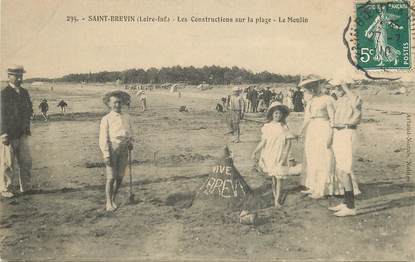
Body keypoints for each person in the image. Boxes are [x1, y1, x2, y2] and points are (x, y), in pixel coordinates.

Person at [252, 102, 297, 207]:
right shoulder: (267, 126)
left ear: (283, 115)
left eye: (280, 114)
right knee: (273, 178)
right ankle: (275, 195)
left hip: (280, 154)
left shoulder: (284, 126)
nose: (278, 116)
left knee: (279, 177)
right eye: (276, 113)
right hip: (269, 154)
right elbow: (263, 142)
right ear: (272, 114)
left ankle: (277, 200)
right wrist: (255, 151)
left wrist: (285, 155)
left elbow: (289, 143)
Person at [329, 82, 363, 216]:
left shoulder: (353, 97)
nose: (336, 90)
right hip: (339, 133)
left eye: (338, 87)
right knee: (341, 169)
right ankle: (346, 202)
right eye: (335, 87)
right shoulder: (339, 100)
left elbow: (356, 103)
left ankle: (351, 207)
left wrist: (345, 87)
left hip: (348, 132)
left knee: (346, 169)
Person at [299, 78, 336, 199]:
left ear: (318, 86)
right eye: (308, 89)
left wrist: (331, 135)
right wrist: (301, 131)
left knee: (322, 158)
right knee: (311, 157)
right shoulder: (311, 101)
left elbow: (333, 119)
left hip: (324, 129)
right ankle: (312, 186)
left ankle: (321, 189)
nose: (310, 90)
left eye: (312, 87)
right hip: (312, 130)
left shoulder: (328, 99)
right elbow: (307, 118)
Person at [0, 65, 33, 198]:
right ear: (9, 76)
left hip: (23, 133)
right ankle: (5, 188)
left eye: (20, 75)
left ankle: (26, 186)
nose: (19, 78)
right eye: (15, 75)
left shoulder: (24, 92)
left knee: (26, 161)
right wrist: (2, 133)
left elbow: (28, 109)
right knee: (8, 163)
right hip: (8, 135)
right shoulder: (4, 94)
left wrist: (27, 124)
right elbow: (1, 115)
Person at [99, 91, 134, 211]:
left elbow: (130, 132)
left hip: (124, 148)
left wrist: (130, 142)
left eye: (119, 102)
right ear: (109, 104)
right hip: (112, 149)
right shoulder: (106, 119)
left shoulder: (127, 117)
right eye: (114, 103)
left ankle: (113, 198)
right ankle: (108, 202)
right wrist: (106, 155)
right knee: (111, 177)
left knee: (120, 177)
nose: (117, 105)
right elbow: (103, 138)